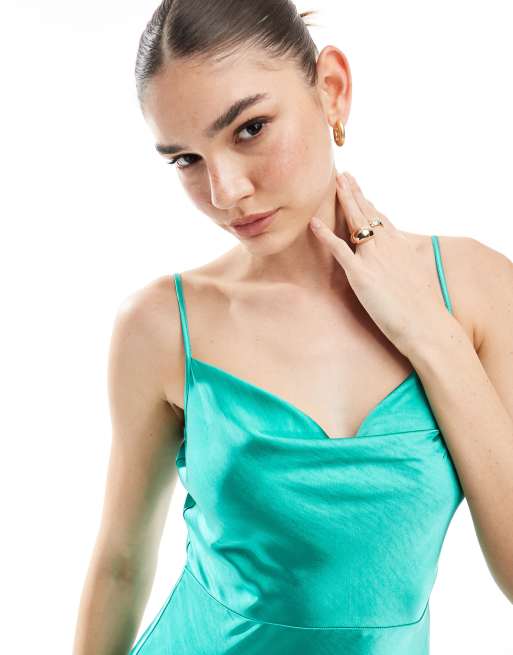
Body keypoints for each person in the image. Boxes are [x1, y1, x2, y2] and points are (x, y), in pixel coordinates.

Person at [72, 1, 510, 653]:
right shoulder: (161, 326)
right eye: (186, 160)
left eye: (249, 128)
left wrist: (430, 334)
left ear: (331, 90)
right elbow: (120, 563)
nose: (225, 191)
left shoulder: (474, 288)